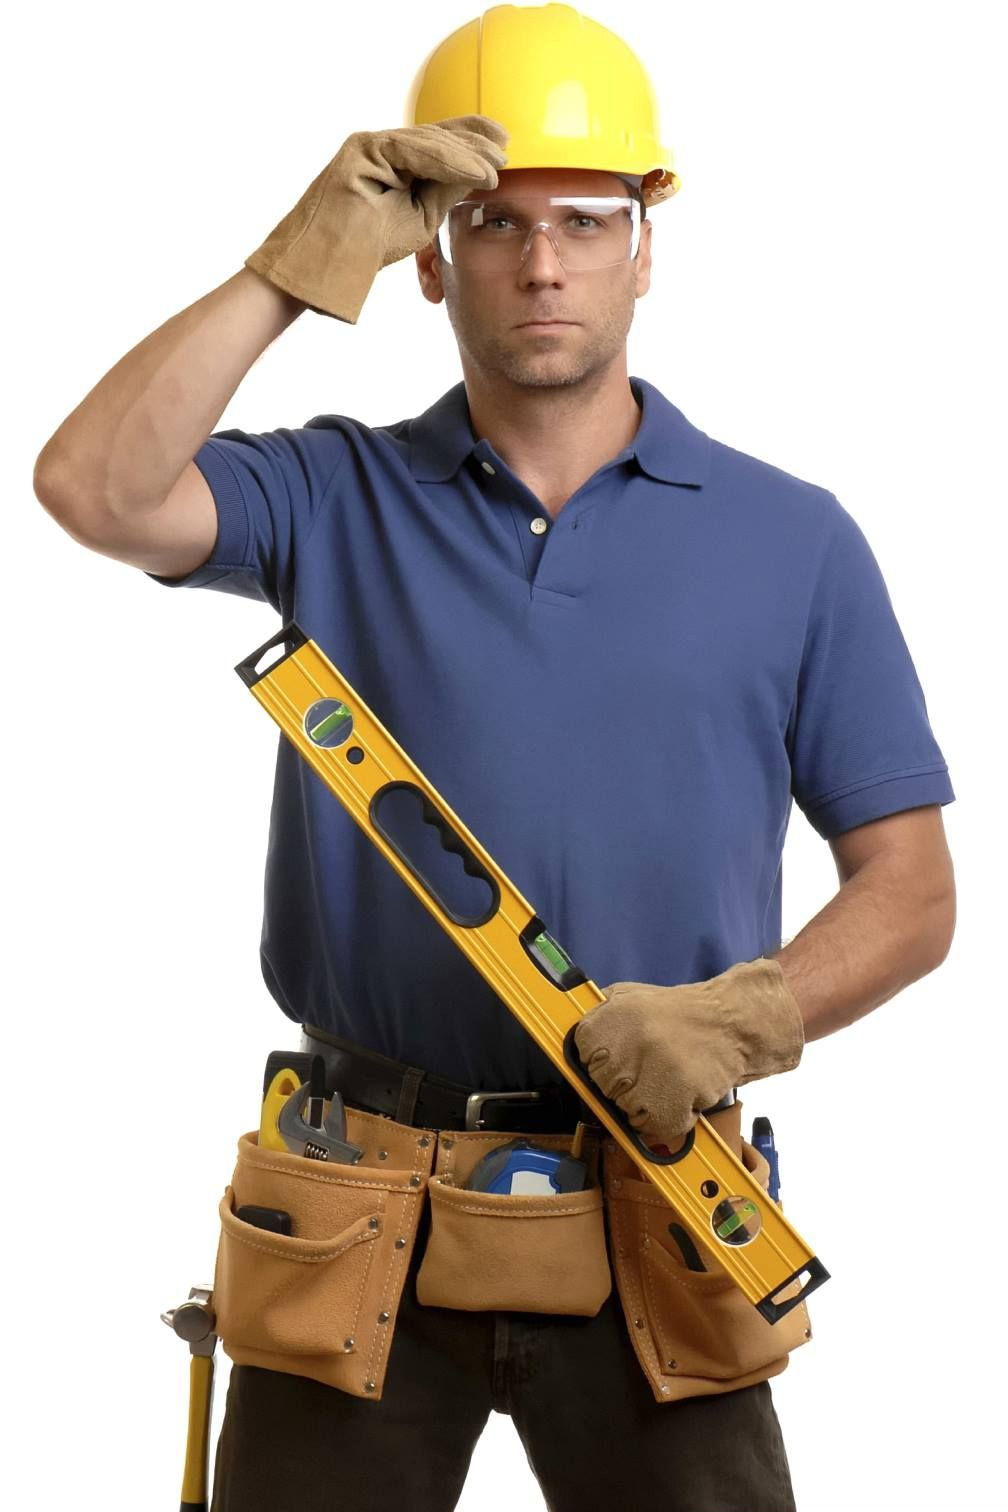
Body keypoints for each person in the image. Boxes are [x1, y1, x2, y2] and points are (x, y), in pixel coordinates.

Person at [33, 5, 956, 1509]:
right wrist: (288, 268)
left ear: (644, 246)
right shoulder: (330, 494)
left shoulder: (794, 541)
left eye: (586, 222)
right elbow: (91, 484)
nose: (542, 265)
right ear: (424, 256)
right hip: (361, 1215)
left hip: (663, 1204)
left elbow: (912, 890)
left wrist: (748, 1017)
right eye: (493, 223)